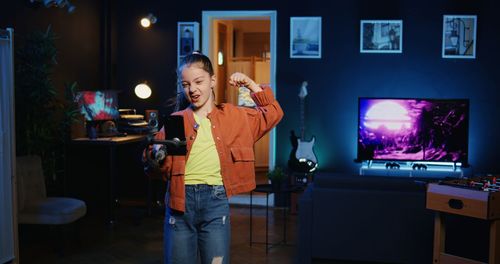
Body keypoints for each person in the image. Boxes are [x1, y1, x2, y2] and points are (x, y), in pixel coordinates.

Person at [151, 52, 283, 264]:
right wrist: (155, 155)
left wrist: (250, 84)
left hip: (215, 204)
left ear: (212, 80)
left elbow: (273, 112)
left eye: (198, 81)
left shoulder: (236, 117)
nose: (192, 89)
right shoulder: (175, 121)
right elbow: (156, 168)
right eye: (186, 84)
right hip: (179, 204)